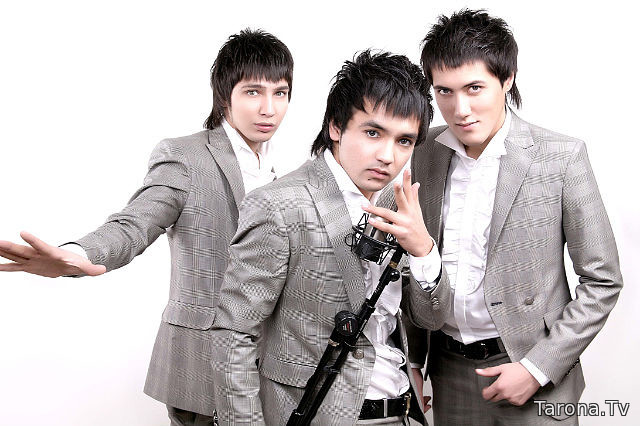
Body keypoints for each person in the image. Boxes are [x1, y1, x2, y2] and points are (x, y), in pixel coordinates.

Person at [0, 28, 293, 426]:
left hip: (266, 374)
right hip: (202, 368)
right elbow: (134, 224)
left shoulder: (282, 175)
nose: (269, 109)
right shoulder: (186, 157)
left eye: (280, 93)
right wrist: (77, 255)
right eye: (253, 92)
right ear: (225, 95)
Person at [404, 9, 623, 425]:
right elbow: (413, 259)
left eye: (474, 88)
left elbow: (603, 280)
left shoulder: (561, 158)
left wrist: (537, 368)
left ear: (506, 79)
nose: (460, 108)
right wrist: (412, 360)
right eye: (444, 91)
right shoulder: (421, 152)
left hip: (534, 373)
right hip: (448, 373)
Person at [211, 50, 438, 425]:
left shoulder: (400, 206)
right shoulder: (279, 205)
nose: (387, 155)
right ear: (336, 126)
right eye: (372, 133)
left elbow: (430, 319)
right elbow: (233, 335)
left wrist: (424, 252)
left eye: (404, 141)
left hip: (401, 412)